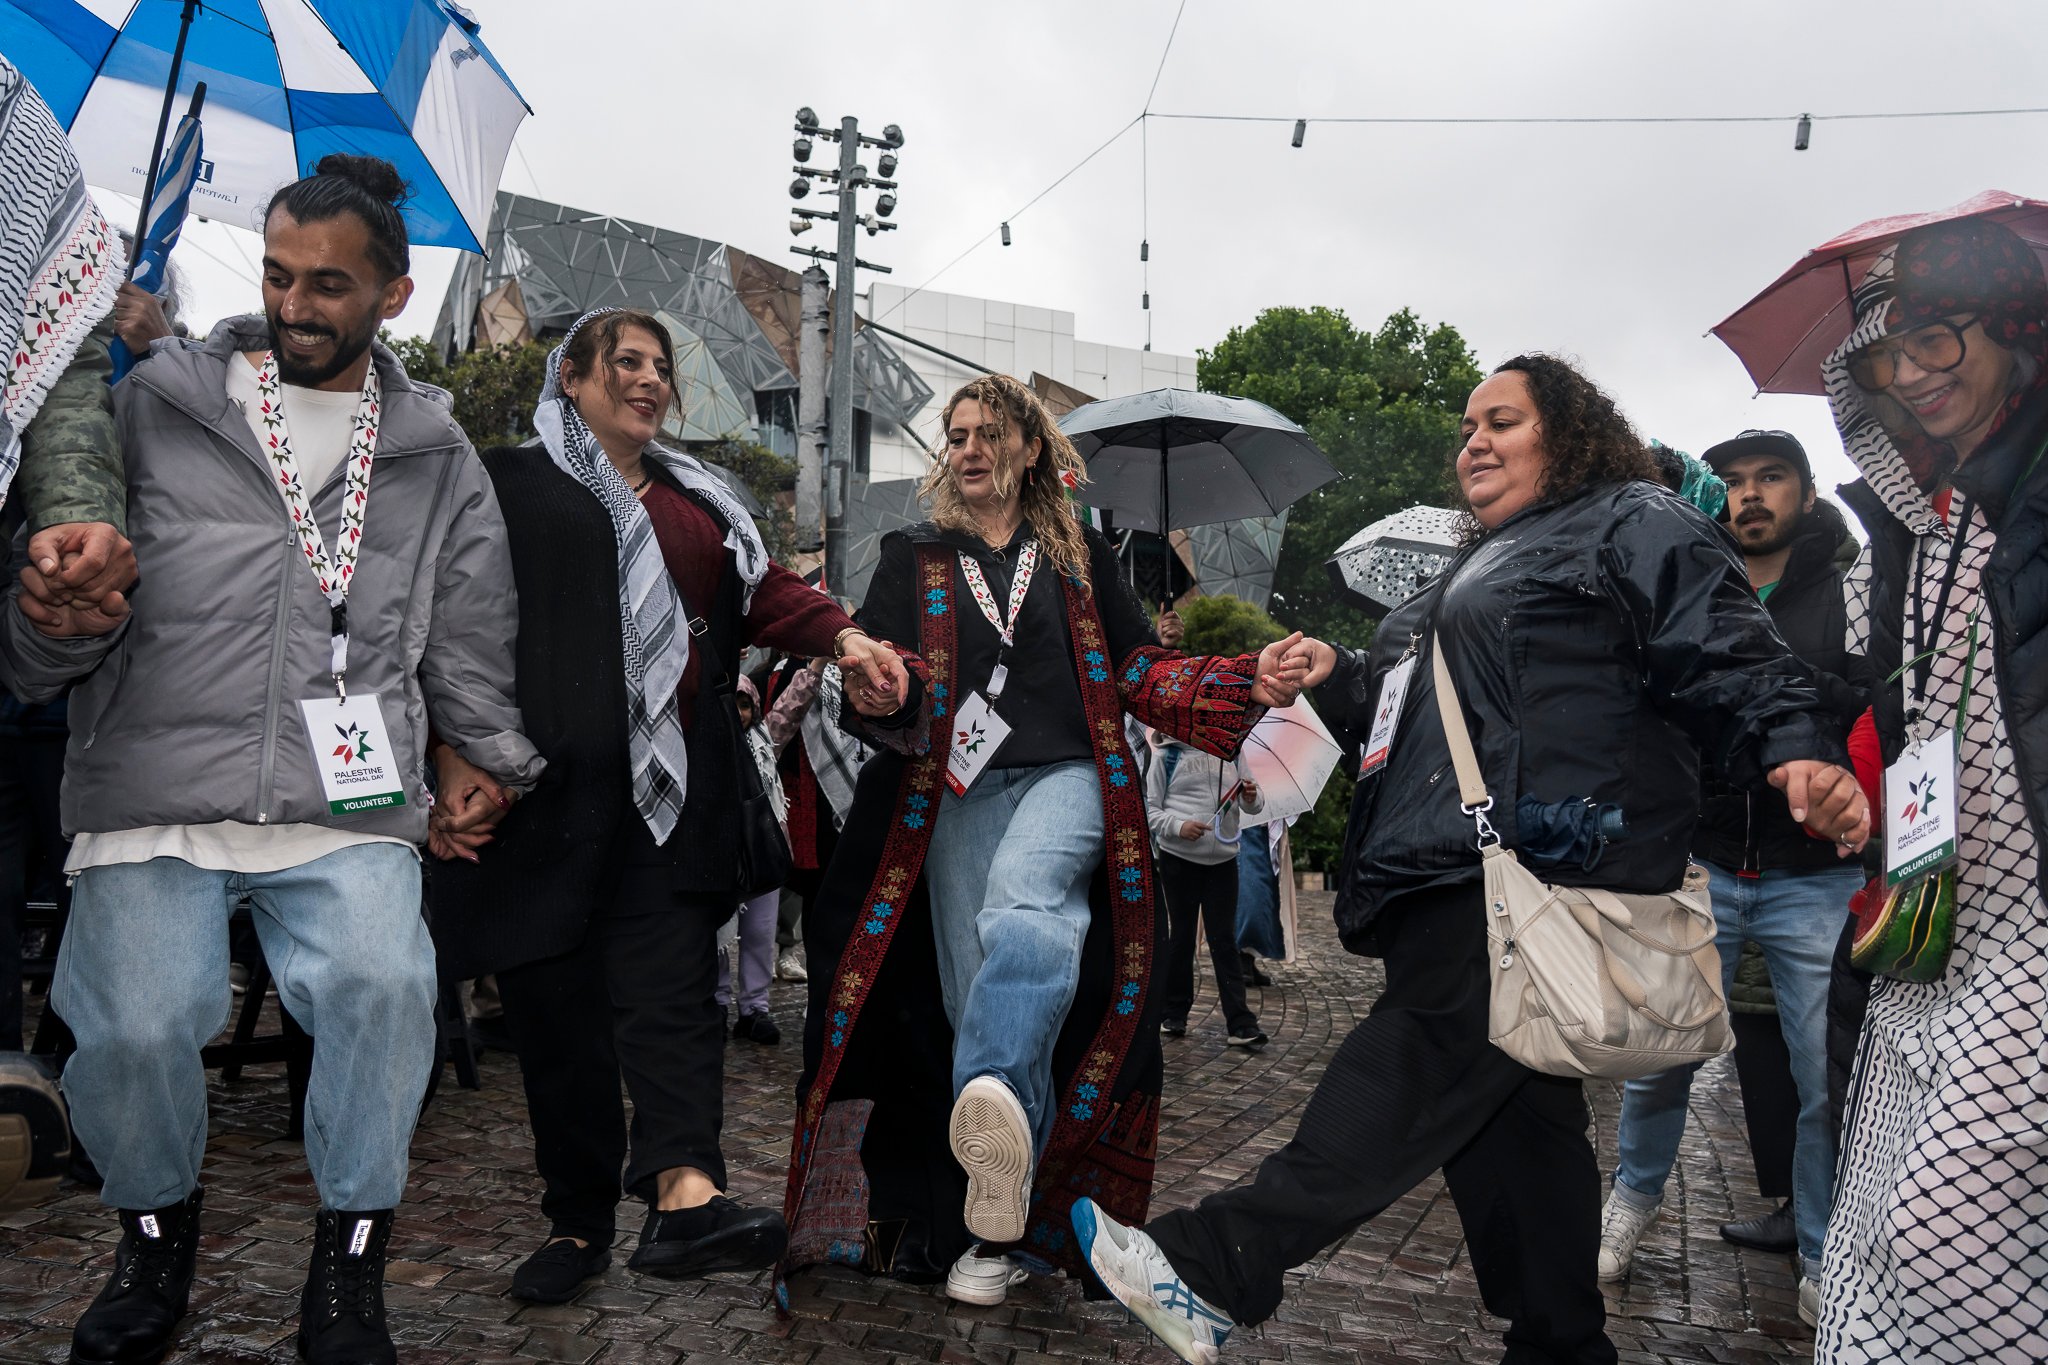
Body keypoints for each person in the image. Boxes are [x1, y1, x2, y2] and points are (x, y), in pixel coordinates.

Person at [1070, 353, 1871, 1365]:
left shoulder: (1632, 516)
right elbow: (1414, 712)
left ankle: (1213, 1264)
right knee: (1519, 1124)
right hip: (1445, 865)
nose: (1472, 442)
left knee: (1414, 1057)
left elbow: (1726, 646)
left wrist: (1794, 746)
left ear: (1569, 433)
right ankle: (1561, 1341)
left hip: (1534, 860)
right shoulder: (1479, 562)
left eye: (1501, 421)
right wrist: (1338, 674)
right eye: (1465, 427)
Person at [0, 154, 544, 1365]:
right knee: (134, 1028)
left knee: (384, 990)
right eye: (277, 275)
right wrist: (53, 618)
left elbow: (467, 631)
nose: (295, 304)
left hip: (343, 807)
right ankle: (153, 1239)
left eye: (330, 285)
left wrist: (479, 757)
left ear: (393, 297)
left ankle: (350, 1269)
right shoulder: (154, 402)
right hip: (155, 793)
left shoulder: (435, 449)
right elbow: (41, 642)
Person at [779, 373, 1309, 1310]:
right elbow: (891, 659)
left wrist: (1238, 681)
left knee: (1028, 905)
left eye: (987, 431)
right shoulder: (914, 555)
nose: (969, 447)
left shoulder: (1079, 560)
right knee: (968, 986)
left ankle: (989, 1111)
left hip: (1071, 774)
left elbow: (1140, 665)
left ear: (1028, 446)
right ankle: (993, 1221)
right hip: (948, 793)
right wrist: (885, 685)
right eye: (955, 434)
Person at [425, 306, 906, 1306]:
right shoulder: (508, 484)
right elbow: (451, 623)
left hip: (675, 793)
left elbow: (766, 593)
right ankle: (575, 1223)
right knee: (558, 1026)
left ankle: (685, 1200)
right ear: (569, 376)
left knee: (673, 999)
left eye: (659, 367)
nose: (648, 380)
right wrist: (448, 752)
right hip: (542, 798)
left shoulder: (703, 504)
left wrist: (847, 639)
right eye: (625, 363)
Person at [1815, 217, 2048, 1364]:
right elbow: (1898, 717)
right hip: (1930, 914)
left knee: (1943, 1231)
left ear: (2015, 329)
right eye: (1887, 354)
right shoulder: (1917, 526)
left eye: (1941, 340)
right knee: (1869, 1231)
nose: (1911, 375)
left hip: (2033, 928)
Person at [1598, 430, 1871, 1323]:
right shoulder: (1688, 579)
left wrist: (1782, 692)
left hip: (1813, 873)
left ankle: (1825, 1254)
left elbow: (1874, 707)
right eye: (1738, 481)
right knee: (1658, 1053)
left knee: (1824, 1074)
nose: (1753, 496)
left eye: (1773, 478)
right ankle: (1629, 1207)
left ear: (1804, 488)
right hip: (1701, 859)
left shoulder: (1852, 589)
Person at [1146, 727, 1266, 1048]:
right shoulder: (1167, 755)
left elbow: (1254, 804)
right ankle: (1173, 1014)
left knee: (1223, 939)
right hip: (1178, 860)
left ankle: (1240, 1023)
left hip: (1224, 861)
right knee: (1181, 938)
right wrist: (1178, 826)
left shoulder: (1234, 752)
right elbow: (1150, 809)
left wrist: (1252, 798)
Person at [721, 674, 787, 1045]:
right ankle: (715, 1005)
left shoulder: (768, 737)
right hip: (721, 852)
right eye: (732, 705)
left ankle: (754, 1010)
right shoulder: (704, 743)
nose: (739, 713)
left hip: (761, 852)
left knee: (760, 934)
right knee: (717, 931)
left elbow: (794, 702)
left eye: (745, 705)